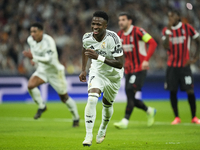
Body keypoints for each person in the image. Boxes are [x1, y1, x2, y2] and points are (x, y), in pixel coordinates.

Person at [79, 11, 124, 146]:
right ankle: (88, 136)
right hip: (97, 72)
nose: (95, 27)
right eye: (93, 24)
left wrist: (98, 57)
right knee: (92, 98)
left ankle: (103, 128)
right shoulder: (87, 37)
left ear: (106, 25)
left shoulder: (113, 38)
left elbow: (120, 63)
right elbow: (84, 50)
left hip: (113, 76)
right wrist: (83, 69)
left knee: (107, 104)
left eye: (99, 24)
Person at [23, 22, 79, 127]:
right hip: (43, 70)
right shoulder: (30, 40)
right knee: (30, 86)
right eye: (31, 31)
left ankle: (76, 117)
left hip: (55, 71)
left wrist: (34, 57)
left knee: (64, 98)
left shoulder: (49, 41)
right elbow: (32, 49)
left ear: (41, 32)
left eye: (35, 31)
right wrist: (32, 57)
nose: (32, 34)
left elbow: (48, 60)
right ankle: (42, 106)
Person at [113, 12, 157, 129]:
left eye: (123, 20)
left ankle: (125, 120)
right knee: (130, 95)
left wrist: (146, 60)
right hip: (128, 69)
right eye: (119, 20)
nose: (120, 22)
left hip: (140, 68)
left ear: (130, 21)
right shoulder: (119, 35)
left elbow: (152, 43)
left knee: (129, 90)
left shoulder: (138, 31)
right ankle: (149, 110)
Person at [162, 10, 200, 124]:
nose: (170, 19)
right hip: (171, 67)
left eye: (172, 16)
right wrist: (169, 30)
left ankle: (194, 117)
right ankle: (177, 117)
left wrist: (195, 58)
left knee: (190, 91)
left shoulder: (187, 28)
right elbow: (165, 46)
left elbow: (198, 40)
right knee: (172, 91)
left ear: (178, 17)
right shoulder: (166, 30)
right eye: (169, 17)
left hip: (184, 66)